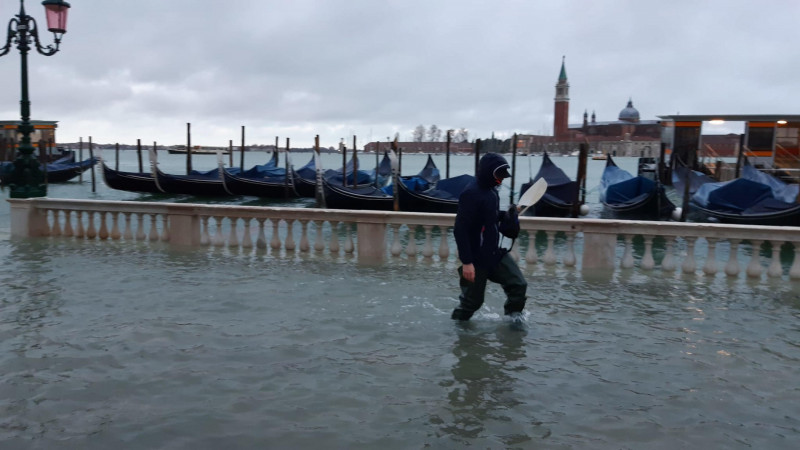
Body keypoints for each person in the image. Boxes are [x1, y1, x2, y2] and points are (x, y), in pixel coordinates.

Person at [451, 152, 527, 324]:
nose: (501, 180)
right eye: (498, 175)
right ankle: (457, 332)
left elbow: (488, 216)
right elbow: (460, 229)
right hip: (476, 259)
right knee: (472, 302)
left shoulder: (491, 190)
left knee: (518, 285)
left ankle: (513, 321)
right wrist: (467, 262)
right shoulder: (471, 193)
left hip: (494, 253)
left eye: (503, 175)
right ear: (487, 171)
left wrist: (507, 214)